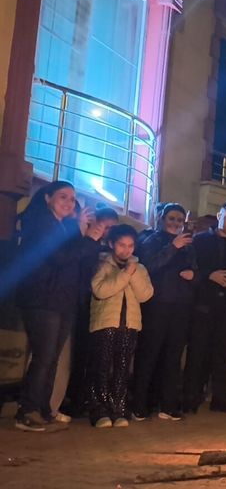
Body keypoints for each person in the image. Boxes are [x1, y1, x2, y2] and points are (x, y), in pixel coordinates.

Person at [14, 181, 92, 432]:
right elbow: (60, 258)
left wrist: (80, 231)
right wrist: (87, 238)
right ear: (47, 198)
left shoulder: (61, 225)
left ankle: (44, 408)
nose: (69, 202)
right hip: (42, 299)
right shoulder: (40, 224)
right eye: (63, 197)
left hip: (61, 299)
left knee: (52, 357)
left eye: (72, 198)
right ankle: (26, 411)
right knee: (44, 357)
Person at [185, 202, 226, 413]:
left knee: (221, 355)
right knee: (197, 353)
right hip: (204, 306)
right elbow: (190, 269)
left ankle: (220, 399)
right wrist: (209, 275)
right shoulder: (200, 241)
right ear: (218, 215)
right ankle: (191, 398)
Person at [131, 203, 197, 421]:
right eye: (172, 219)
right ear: (162, 218)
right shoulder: (151, 239)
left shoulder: (188, 244)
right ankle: (140, 404)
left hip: (181, 306)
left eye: (179, 220)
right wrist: (173, 247)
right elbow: (148, 265)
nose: (176, 223)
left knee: (173, 356)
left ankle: (168, 405)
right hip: (157, 305)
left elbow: (195, 267)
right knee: (149, 354)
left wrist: (193, 275)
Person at [88, 224, 154, 428]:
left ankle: (119, 409)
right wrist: (125, 274)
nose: (126, 250)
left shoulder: (140, 268)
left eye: (130, 246)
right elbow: (100, 290)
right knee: (101, 367)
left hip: (130, 325)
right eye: (121, 245)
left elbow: (146, 294)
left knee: (123, 368)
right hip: (105, 324)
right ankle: (99, 410)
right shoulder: (103, 265)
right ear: (111, 244)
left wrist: (132, 273)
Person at [56, 205, 118, 420]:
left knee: (94, 356)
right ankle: (71, 399)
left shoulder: (115, 250)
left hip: (102, 309)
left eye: (113, 227)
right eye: (106, 226)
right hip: (80, 303)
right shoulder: (85, 243)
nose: (109, 231)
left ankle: (86, 397)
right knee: (75, 355)